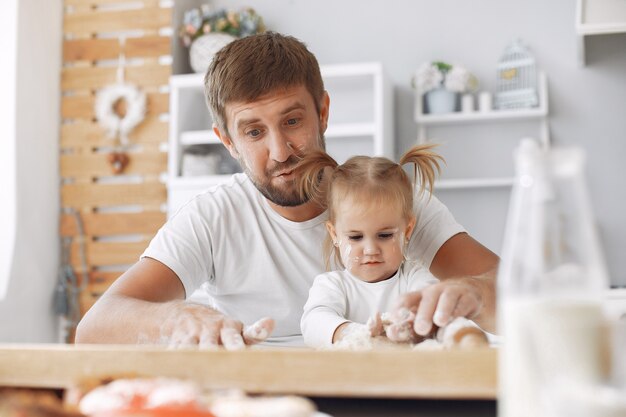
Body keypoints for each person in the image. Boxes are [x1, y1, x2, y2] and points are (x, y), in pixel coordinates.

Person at [75, 32, 498, 349]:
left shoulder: (385, 198)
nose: (280, 152)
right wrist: (175, 320)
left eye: (292, 121)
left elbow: (514, 291)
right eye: (254, 131)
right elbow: (95, 328)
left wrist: (474, 293)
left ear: (323, 112)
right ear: (227, 141)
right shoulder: (212, 217)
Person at [298, 144, 444, 348]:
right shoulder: (332, 285)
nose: (370, 249)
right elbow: (314, 322)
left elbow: (430, 304)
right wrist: (357, 334)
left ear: (407, 230)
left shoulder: (415, 278)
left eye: (384, 235)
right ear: (335, 234)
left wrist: (406, 325)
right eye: (356, 237)